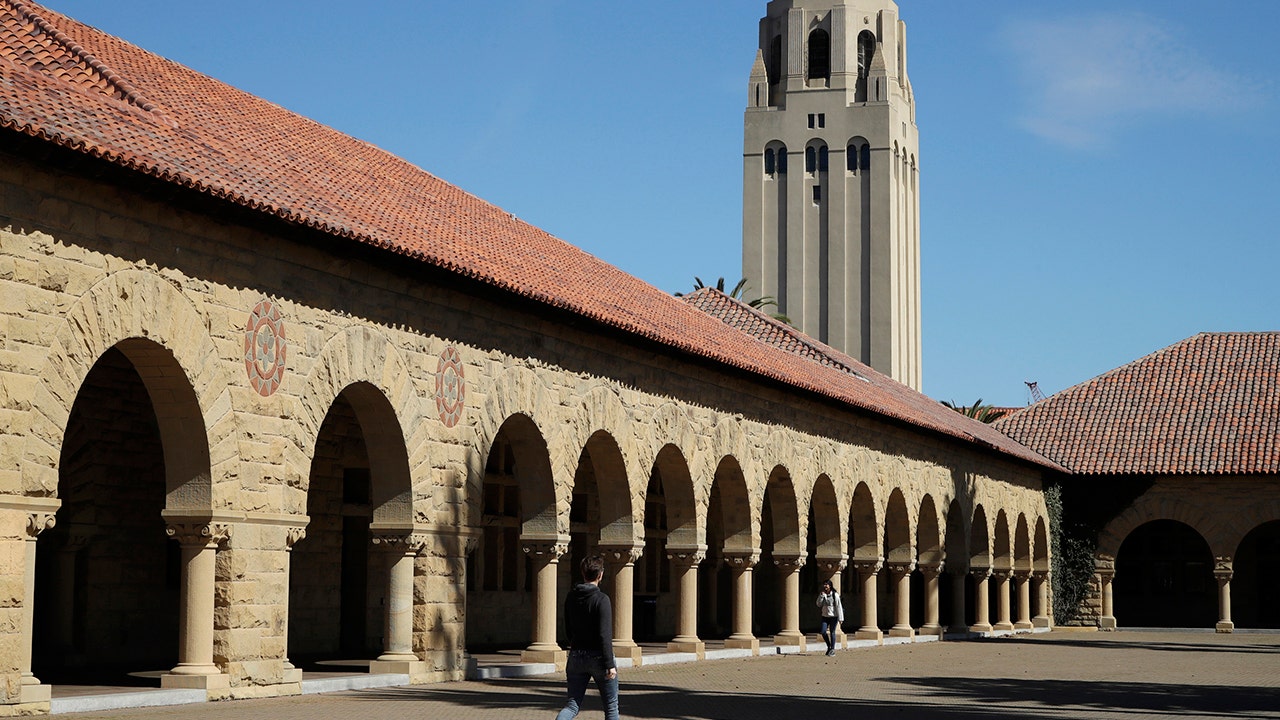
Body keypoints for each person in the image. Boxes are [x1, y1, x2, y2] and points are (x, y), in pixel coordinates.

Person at [555, 554, 619, 720]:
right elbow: (604, 634)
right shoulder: (602, 599)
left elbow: (568, 628)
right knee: (611, 708)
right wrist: (609, 664)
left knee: (572, 706)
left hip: (576, 656)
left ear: (583, 574)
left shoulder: (571, 597)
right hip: (599, 657)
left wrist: (576, 644)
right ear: (600, 575)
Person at [816, 579, 844, 656]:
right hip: (825, 616)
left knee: (832, 632)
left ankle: (832, 649)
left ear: (830, 586)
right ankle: (829, 646)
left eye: (826, 584)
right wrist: (821, 596)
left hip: (833, 616)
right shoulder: (823, 594)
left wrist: (841, 618)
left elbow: (839, 606)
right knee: (823, 631)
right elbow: (818, 604)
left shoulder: (835, 595)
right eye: (824, 584)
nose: (825, 586)